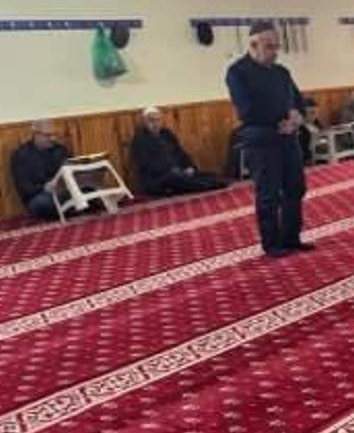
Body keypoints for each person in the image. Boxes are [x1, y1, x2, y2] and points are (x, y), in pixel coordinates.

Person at [226, 20, 312, 258]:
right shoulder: (237, 72)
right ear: (254, 45)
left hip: (288, 138)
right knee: (269, 193)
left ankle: (291, 238)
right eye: (269, 47)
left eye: (276, 46)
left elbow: (298, 101)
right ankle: (272, 244)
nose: (275, 52)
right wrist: (281, 120)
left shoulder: (282, 72)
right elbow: (247, 110)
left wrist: (297, 118)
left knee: (295, 188)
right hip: (261, 141)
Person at [130, 107, 228, 196]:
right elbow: (147, 165)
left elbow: (181, 153)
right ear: (144, 122)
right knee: (177, 179)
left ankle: (210, 182)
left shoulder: (167, 134)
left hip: (179, 173)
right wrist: (171, 170)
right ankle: (209, 185)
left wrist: (189, 166)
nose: (155, 124)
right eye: (151, 120)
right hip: (158, 179)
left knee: (208, 175)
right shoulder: (139, 140)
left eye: (158, 120)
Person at [10, 119, 72, 219]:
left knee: (87, 191)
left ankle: (69, 209)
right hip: (39, 195)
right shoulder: (21, 155)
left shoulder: (60, 149)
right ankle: (72, 209)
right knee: (43, 203)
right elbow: (25, 188)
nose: (52, 138)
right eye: (48, 135)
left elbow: (71, 168)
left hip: (62, 191)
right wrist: (44, 187)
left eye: (54, 134)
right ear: (36, 134)